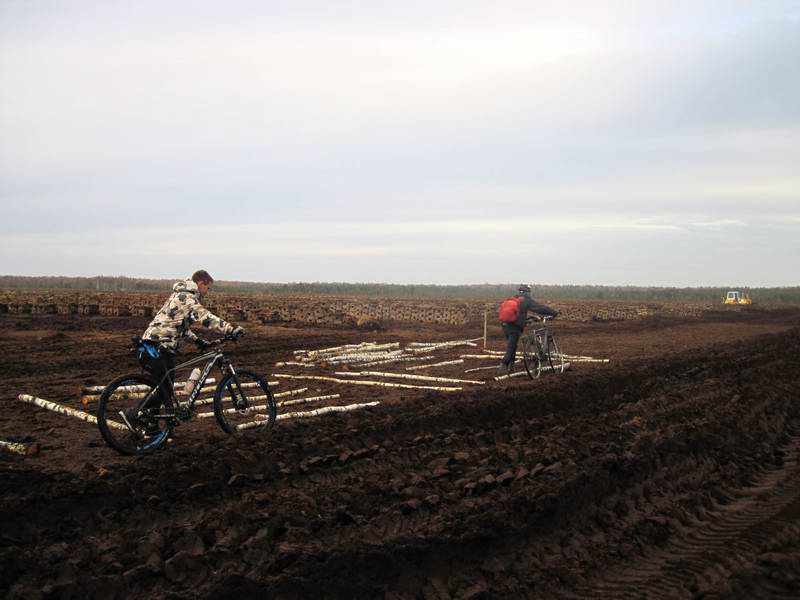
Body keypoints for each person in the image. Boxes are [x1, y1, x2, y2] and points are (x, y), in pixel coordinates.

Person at [133, 270, 243, 423]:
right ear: (201, 283)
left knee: (162, 387)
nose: (207, 292)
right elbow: (205, 317)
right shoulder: (188, 297)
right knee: (165, 389)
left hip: (151, 344)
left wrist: (198, 341)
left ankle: (152, 428)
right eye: (208, 288)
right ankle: (135, 413)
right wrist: (230, 329)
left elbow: (178, 325)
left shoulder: (179, 295)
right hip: (159, 346)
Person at [498, 284, 558, 374]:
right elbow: (540, 308)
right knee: (510, 348)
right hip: (515, 327)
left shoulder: (514, 298)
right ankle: (501, 369)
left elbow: (519, 313)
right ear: (528, 292)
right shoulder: (526, 300)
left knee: (512, 346)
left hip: (505, 324)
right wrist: (553, 313)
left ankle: (510, 367)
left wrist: (527, 318)